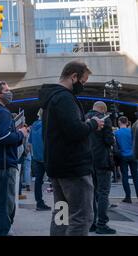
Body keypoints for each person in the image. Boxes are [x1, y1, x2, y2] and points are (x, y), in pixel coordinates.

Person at [39, 61, 104, 236]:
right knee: (81, 217)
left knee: (62, 215)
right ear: (73, 77)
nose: (83, 86)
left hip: (57, 167)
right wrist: (92, 123)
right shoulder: (65, 98)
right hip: (74, 169)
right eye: (82, 82)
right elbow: (75, 130)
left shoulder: (51, 98)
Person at [0, 81, 28, 236]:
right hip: (4, 164)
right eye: (7, 90)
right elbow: (4, 137)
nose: (10, 93)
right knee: (5, 205)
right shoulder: (2, 112)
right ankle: (1, 232)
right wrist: (21, 133)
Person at [85, 101, 116, 234]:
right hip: (103, 160)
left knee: (91, 193)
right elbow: (109, 140)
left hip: (88, 161)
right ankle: (102, 224)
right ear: (103, 110)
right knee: (103, 193)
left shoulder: (85, 118)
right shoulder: (105, 119)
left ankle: (91, 223)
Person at [28, 109, 51, 211]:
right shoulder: (48, 125)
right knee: (57, 181)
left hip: (36, 157)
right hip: (48, 157)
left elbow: (30, 143)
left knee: (38, 181)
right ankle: (61, 207)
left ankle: (39, 203)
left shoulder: (34, 125)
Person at [114, 116, 138, 204]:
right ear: (127, 122)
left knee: (125, 176)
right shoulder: (131, 131)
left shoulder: (116, 133)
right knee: (136, 177)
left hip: (123, 156)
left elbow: (115, 146)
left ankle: (128, 197)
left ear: (119, 122)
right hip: (133, 155)